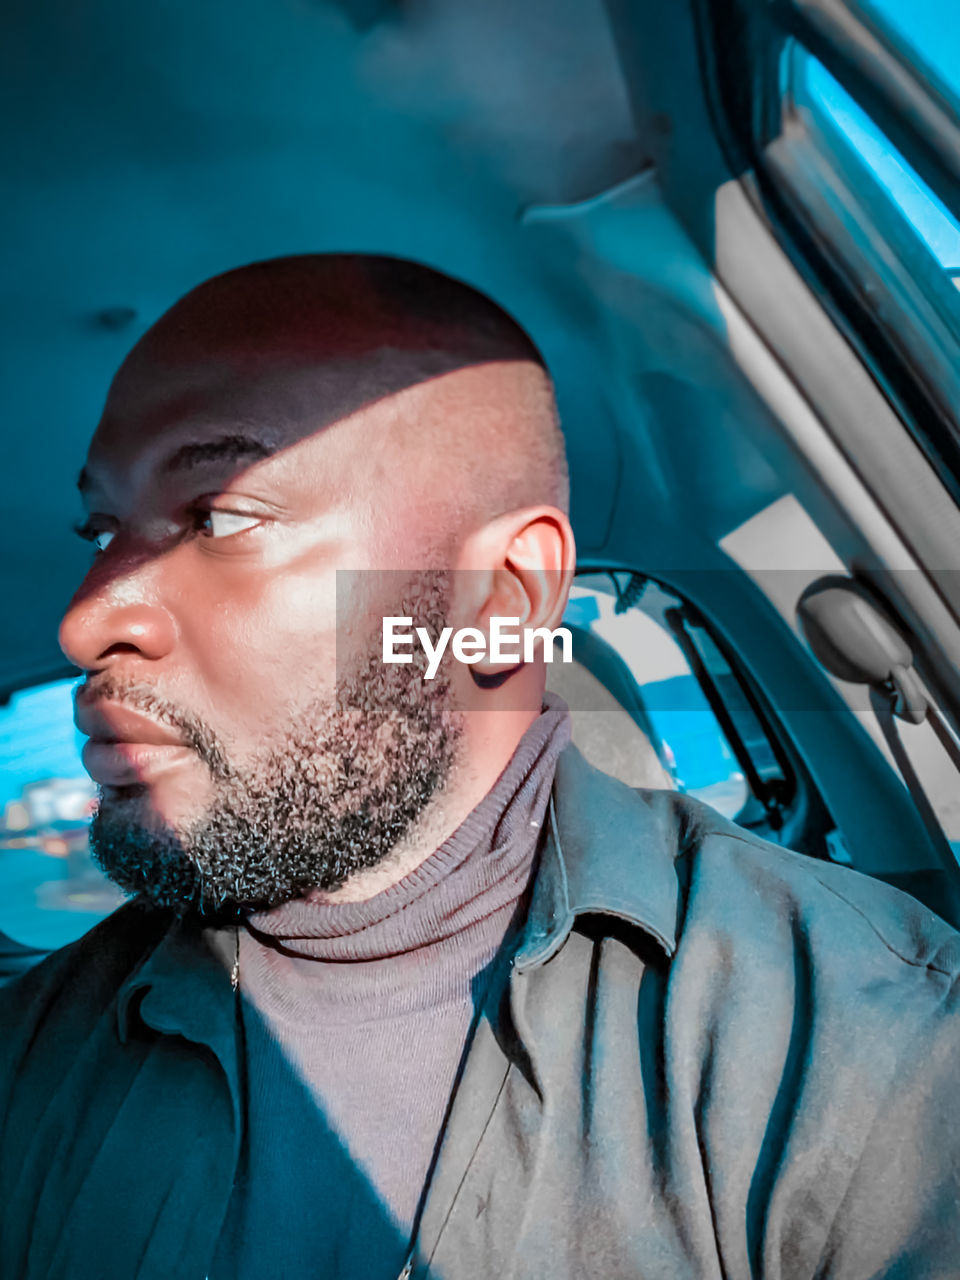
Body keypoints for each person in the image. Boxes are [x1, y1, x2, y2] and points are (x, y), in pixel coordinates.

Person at [1, 254, 958, 1280]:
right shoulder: (31, 1054)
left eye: (221, 516)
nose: (87, 615)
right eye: (102, 529)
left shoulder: (871, 1050)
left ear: (501, 599)